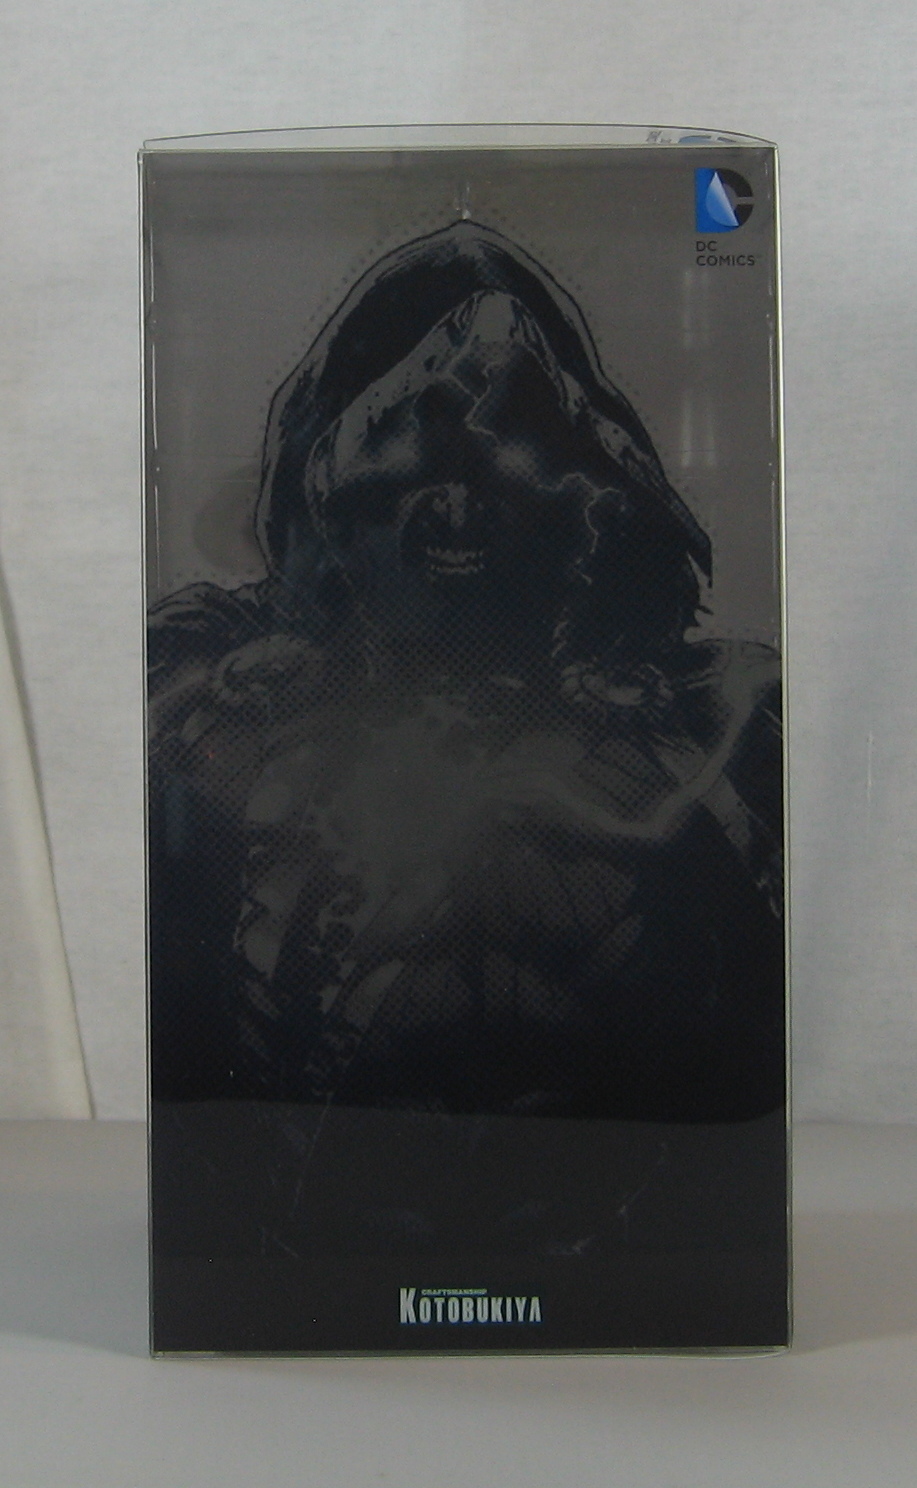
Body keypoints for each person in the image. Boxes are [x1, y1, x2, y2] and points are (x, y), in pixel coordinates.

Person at [148, 222, 783, 1123]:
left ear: (586, 491)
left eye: (509, 431)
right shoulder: (205, 693)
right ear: (324, 484)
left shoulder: (709, 728)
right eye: (416, 425)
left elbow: (736, 1069)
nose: (456, 498)